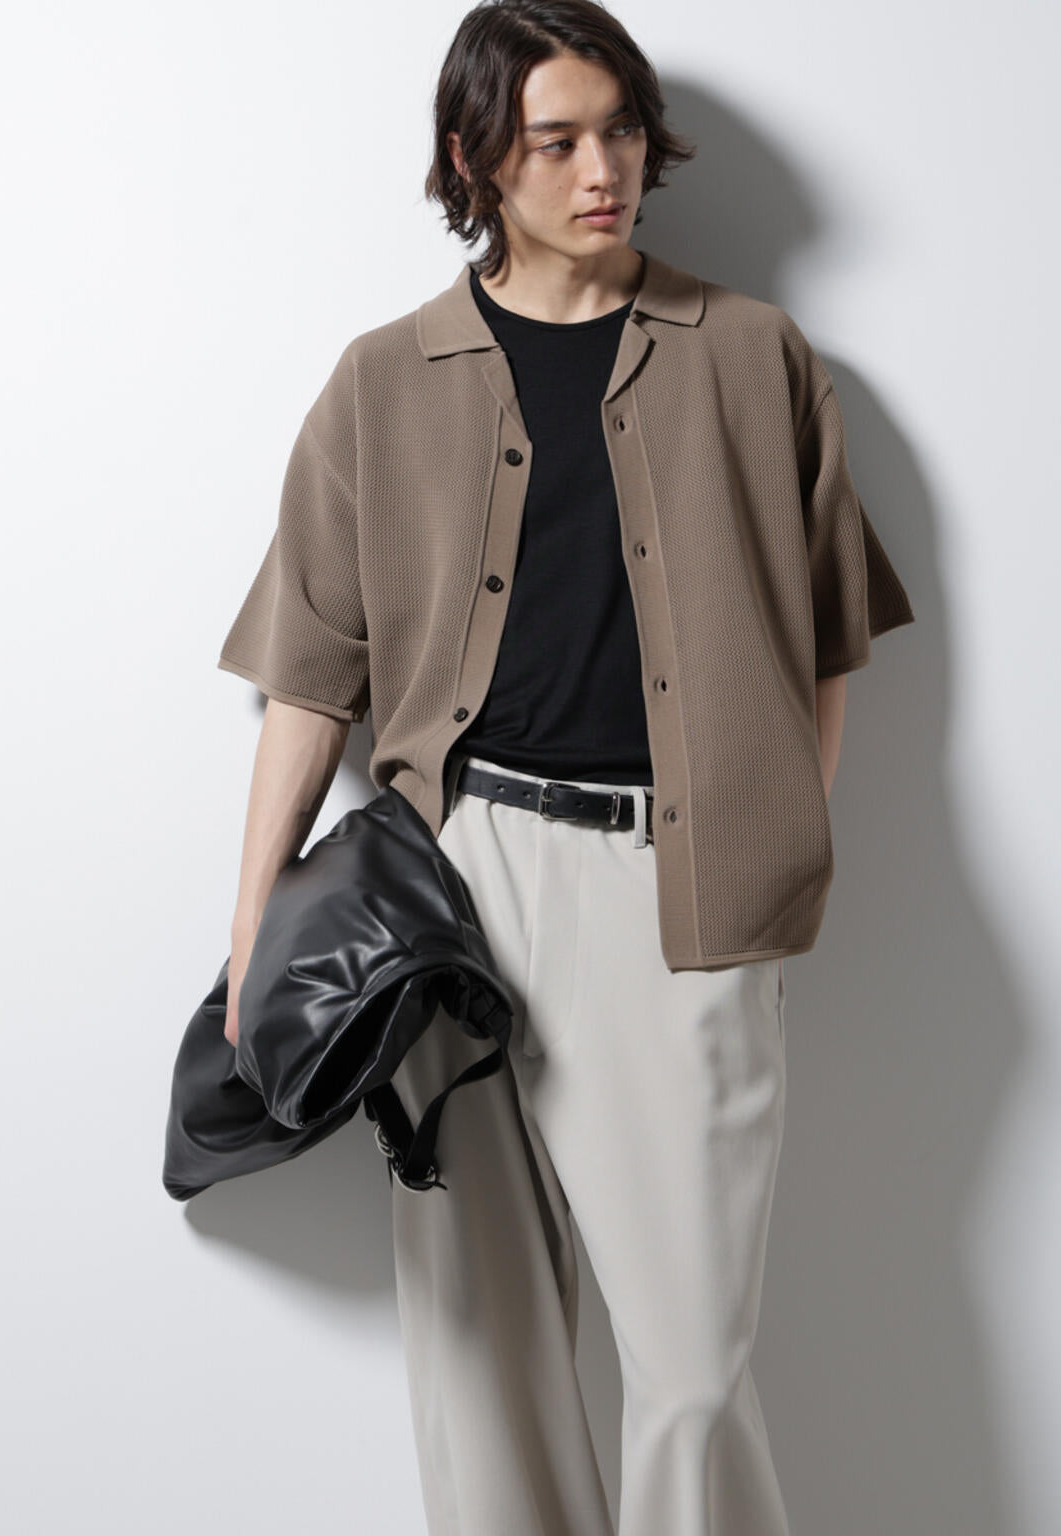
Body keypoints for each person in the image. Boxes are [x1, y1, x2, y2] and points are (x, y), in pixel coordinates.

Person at [214, 2, 915, 1531]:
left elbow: (827, 643)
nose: (606, 170)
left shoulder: (754, 356)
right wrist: (254, 924)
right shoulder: (382, 380)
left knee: (694, 1367)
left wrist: (778, 838)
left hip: (679, 885)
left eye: (622, 130)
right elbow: (307, 683)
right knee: (486, 1351)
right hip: (448, 894)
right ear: (476, 157)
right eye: (557, 140)